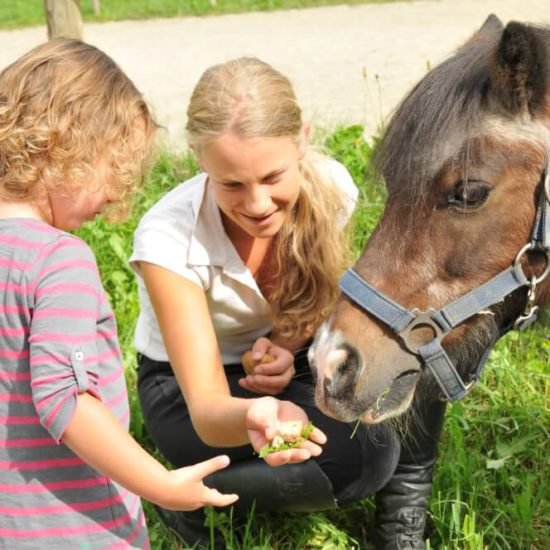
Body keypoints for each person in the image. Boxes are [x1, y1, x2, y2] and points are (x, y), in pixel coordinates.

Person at [131, 57, 400, 547]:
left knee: (399, 369)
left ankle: (405, 505)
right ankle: (187, 498)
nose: (256, 204)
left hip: (294, 356)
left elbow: (320, 294)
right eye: (231, 183)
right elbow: (209, 409)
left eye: (273, 177)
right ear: (199, 159)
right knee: (361, 458)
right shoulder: (167, 238)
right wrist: (260, 414)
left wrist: (285, 342)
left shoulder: (334, 188)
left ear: (302, 139)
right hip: (192, 392)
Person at [0, 39, 239, 549]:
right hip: (75, 526)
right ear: (66, 147)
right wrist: (161, 486)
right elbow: (63, 398)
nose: (117, 192)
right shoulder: (57, 259)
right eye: (116, 167)